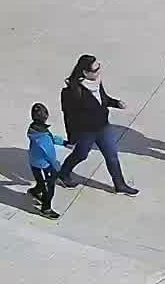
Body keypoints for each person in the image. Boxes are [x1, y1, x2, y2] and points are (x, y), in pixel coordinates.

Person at [57, 55, 140, 195]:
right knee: (81, 155)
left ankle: (120, 185)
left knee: (111, 155)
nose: (98, 72)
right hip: (86, 131)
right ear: (85, 72)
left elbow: (103, 99)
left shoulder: (96, 82)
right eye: (95, 70)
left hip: (103, 127)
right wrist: (71, 138)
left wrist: (115, 103)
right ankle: (63, 174)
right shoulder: (72, 92)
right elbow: (69, 117)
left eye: (99, 67)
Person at [26, 102, 68, 219]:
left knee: (41, 181)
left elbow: (51, 137)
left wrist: (62, 142)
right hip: (43, 166)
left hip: (34, 162)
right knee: (49, 187)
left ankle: (35, 191)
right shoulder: (42, 138)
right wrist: (54, 167)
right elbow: (49, 154)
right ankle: (46, 209)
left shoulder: (35, 130)